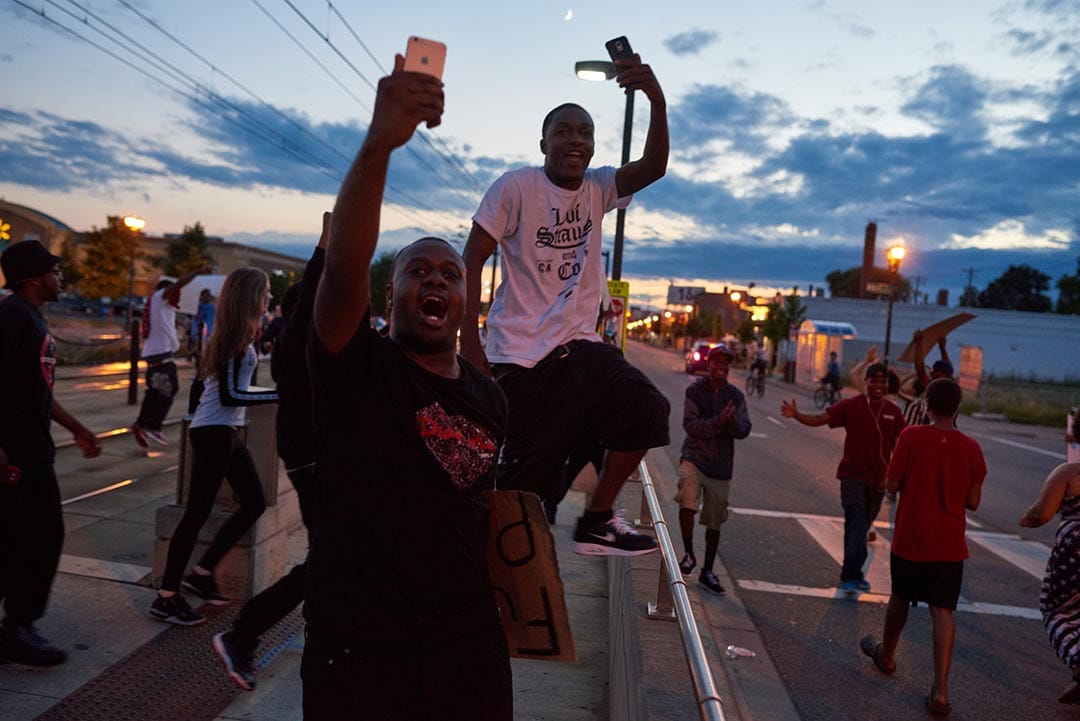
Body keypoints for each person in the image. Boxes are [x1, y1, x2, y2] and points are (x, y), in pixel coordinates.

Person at [303, 60, 511, 721]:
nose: (436, 280)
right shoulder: (357, 366)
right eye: (416, 270)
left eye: (450, 273)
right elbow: (341, 274)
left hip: (468, 649)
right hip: (360, 652)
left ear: (462, 298)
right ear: (389, 297)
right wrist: (379, 144)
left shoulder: (489, 397)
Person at [461, 46, 670, 556]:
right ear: (544, 143)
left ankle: (597, 518)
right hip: (523, 357)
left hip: (580, 347)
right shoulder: (516, 187)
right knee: (521, 495)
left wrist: (655, 99)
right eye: (564, 131)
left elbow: (654, 166)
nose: (575, 140)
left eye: (585, 133)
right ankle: (483, 587)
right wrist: (471, 343)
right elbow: (469, 261)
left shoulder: (599, 189)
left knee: (647, 408)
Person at [212, 213, 328, 692]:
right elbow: (312, 295)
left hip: (319, 463)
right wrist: (326, 246)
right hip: (316, 466)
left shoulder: (300, 348)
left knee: (332, 561)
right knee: (328, 561)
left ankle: (251, 634)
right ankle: (243, 633)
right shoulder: (299, 340)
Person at [150, 267, 278, 626]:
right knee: (196, 513)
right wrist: (282, 395)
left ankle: (202, 573)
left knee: (253, 502)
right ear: (251, 296)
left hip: (226, 431)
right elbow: (230, 393)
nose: (269, 298)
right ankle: (167, 597)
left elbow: (212, 390)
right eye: (265, 291)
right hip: (214, 433)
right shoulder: (236, 337)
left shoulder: (239, 334)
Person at [0, 240, 102, 666]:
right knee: (42, 537)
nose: (61, 279)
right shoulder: (11, 318)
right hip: (19, 455)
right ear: (34, 278)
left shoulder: (29, 318)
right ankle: (17, 628)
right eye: (55, 272)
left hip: (32, 447)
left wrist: (77, 428)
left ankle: (14, 628)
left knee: (13, 540)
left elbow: (37, 391)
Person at [860, 379, 986, 717]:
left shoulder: (911, 437)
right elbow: (973, 502)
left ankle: (886, 656)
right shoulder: (972, 449)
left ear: (927, 404)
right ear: (957, 407)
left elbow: (892, 483)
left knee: (900, 597)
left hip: (911, 538)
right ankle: (940, 691)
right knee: (941, 612)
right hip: (949, 546)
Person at [780, 363, 905, 594]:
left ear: (887, 384)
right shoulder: (851, 406)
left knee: (862, 526)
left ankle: (855, 569)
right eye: (873, 380)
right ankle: (851, 575)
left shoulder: (894, 411)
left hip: (878, 482)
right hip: (852, 476)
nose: (878, 385)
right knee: (856, 522)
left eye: (882, 381)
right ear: (865, 382)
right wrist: (796, 415)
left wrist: (896, 478)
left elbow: (900, 447)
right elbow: (820, 419)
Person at [676, 344, 751, 595]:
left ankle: (707, 570)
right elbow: (691, 425)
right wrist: (720, 421)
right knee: (687, 490)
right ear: (708, 365)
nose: (721, 366)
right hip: (695, 457)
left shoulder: (736, 396)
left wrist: (729, 422)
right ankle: (688, 554)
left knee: (715, 517)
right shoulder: (695, 391)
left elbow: (744, 429)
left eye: (725, 363)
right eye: (716, 362)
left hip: (720, 464)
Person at [1019, 460, 1080, 704]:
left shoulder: (1069, 472)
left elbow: (1040, 515)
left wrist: (1025, 518)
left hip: (1074, 551)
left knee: (1058, 609)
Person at [132, 267, 211, 447]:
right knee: (169, 389)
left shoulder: (161, 306)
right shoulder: (161, 296)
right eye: (176, 292)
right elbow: (178, 285)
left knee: (154, 392)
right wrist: (196, 273)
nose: (178, 296)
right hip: (160, 356)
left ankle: (141, 424)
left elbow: (166, 324)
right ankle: (152, 426)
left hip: (156, 354)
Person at [900, 331, 953, 427]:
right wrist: (942, 347)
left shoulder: (935, 388)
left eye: (933, 373)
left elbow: (920, 368)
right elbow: (947, 368)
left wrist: (918, 343)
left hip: (932, 430)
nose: (930, 374)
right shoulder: (952, 388)